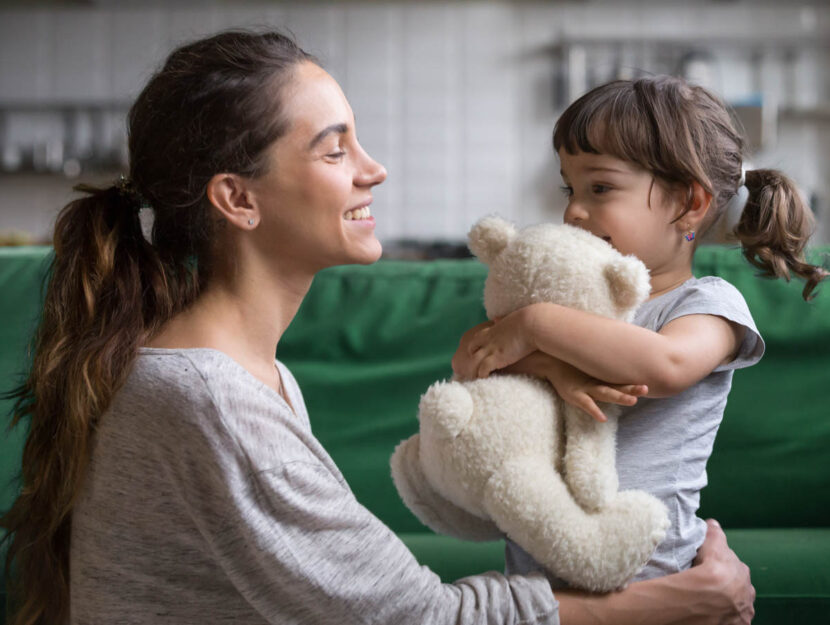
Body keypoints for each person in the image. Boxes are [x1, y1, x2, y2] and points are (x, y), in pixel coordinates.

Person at [0, 32, 756, 625]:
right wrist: (677, 602)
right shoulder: (206, 395)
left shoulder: (244, 375)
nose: (376, 169)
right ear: (238, 198)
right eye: (335, 147)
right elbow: (418, 617)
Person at [452, 75, 828, 587]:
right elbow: (472, 361)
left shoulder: (707, 305)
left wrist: (537, 327)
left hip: (652, 574)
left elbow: (664, 366)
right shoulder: (565, 304)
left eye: (599, 187)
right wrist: (551, 368)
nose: (572, 210)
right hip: (536, 580)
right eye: (571, 187)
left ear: (688, 205)